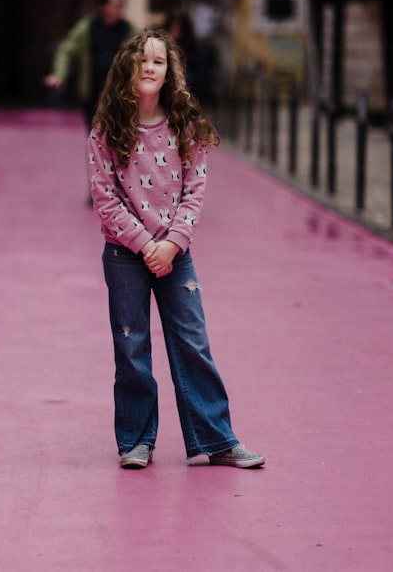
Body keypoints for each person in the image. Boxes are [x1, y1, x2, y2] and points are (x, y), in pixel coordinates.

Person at [86, 28, 265, 470]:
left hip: (176, 253)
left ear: (169, 72)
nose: (150, 67)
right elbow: (104, 197)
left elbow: (195, 189)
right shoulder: (106, 131)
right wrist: (146, 244)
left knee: (193, 341)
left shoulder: (184, 125)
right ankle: (136, 441)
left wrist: (172, 244)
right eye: (142, 60)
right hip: (125, 254)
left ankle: (218, 439)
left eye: (159, 61)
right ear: (127, 66)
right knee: (131, 346)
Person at [44, 0, 136, 129]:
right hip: (92, 90)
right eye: (114, 5)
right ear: (103, 6)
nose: (118, 9)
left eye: (120, 6)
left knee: (118, 130)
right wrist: (59, 75)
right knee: (95, 131)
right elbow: (66, 51)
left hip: (119, 91)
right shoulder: (87, 27)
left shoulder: (128, 29)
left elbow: (141, 52)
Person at [164, 11, 214, 105]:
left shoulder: (194, 50)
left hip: (189, 98)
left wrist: (179, 76)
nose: (173, 33)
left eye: (177, 29)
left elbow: (201, 76)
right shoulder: (163, 48)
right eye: (171, 29)